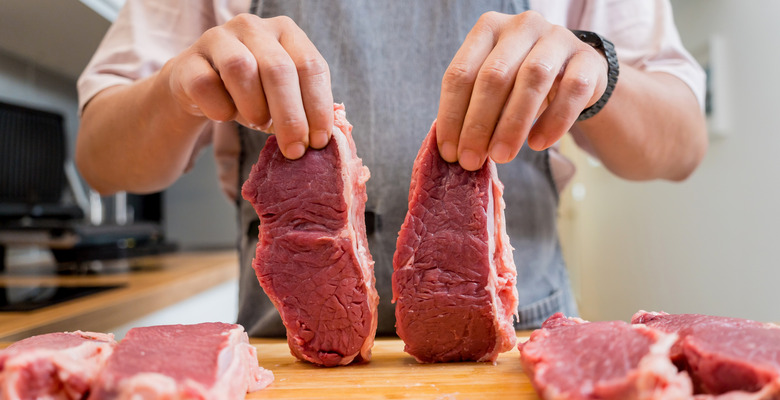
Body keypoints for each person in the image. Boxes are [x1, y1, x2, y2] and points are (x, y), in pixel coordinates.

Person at [76, 0, 707, 337]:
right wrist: (176, 88)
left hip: (518, 342)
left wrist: (595, 74)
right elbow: (100, 159)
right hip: (289, 352)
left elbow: (682, 145)